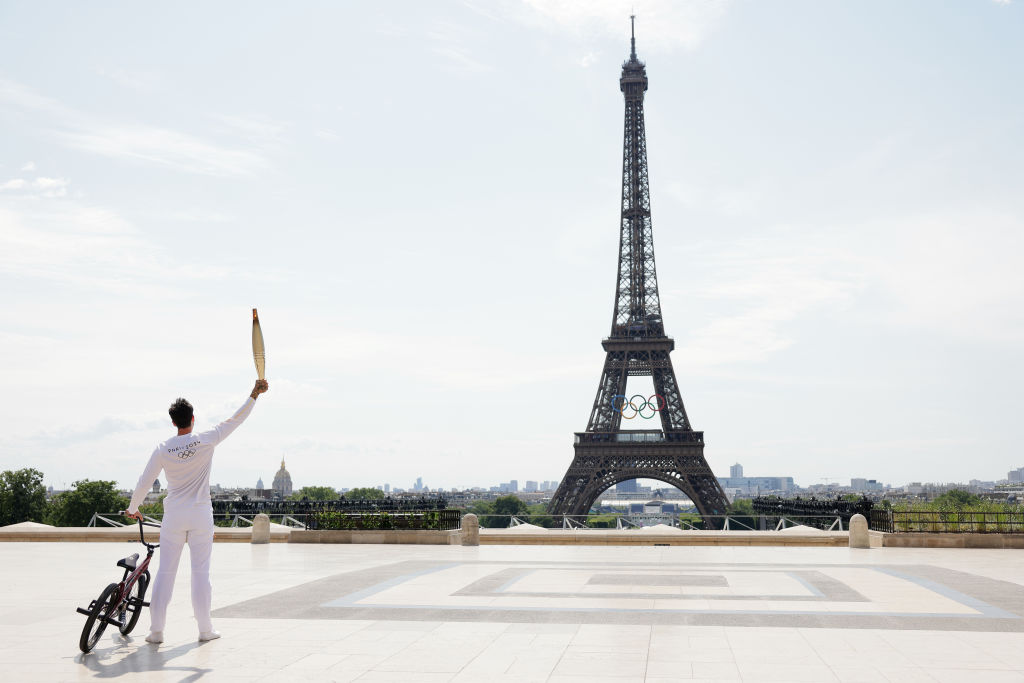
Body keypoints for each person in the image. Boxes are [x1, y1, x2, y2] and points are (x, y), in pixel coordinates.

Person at [126, 379, 269, 644]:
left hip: (174, 515)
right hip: (201, 514)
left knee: (165, 573)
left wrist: (133, 508)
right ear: (193, 418)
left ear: (173, 422)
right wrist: (253, 394)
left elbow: (144, 481)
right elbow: (235, 420)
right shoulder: (206, 439)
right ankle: (205, 630)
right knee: (201, 573)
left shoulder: (163, 448)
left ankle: (156, 631)